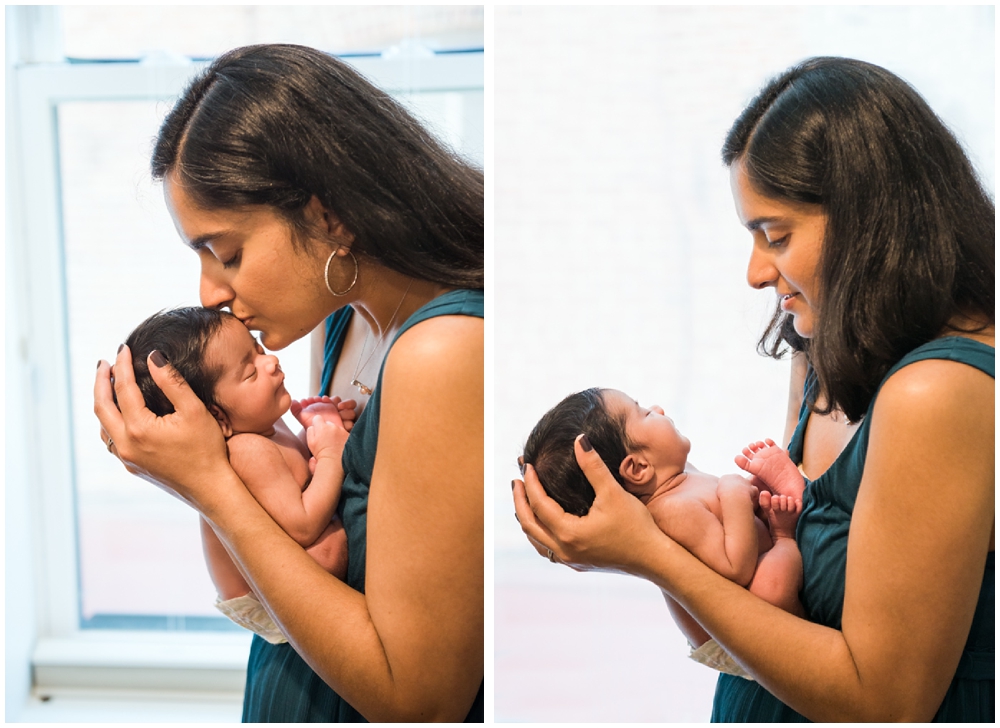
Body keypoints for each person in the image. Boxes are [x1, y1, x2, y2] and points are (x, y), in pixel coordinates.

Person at [513, 56, 993, 721]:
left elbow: (886, 704)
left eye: (776, 236)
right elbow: (742, 621)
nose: (755, 272)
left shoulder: (937, 391)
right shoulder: (825, 350)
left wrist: (650, 555)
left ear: (869, 222)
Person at [94, 44, 484, 722]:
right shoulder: (342, 318)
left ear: (328, 215)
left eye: (229, 252)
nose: (210, 291)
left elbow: (420, 701)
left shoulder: (443, 351)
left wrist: (208, 484)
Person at [522, 387, 805, 679]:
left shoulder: (678, 476)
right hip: (735, 635)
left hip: (735, 603)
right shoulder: (672, 511)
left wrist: (750, 490)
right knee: (771, 586)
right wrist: (736, 495)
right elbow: (736, 569)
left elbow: (719, 517)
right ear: (638, 467)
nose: (658, 409)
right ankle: (786, 537)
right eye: (643, 412)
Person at [123, 306, 357, 644]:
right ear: (218, 417)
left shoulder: (261, 420)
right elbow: (303, 526)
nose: (270, 362)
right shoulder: (249, 450)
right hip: (257, 597)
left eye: (257, 349)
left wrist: (319, 427)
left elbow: (294, 475)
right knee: (330, 550)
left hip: (272, 567)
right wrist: (331, 454)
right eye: (250, 372)